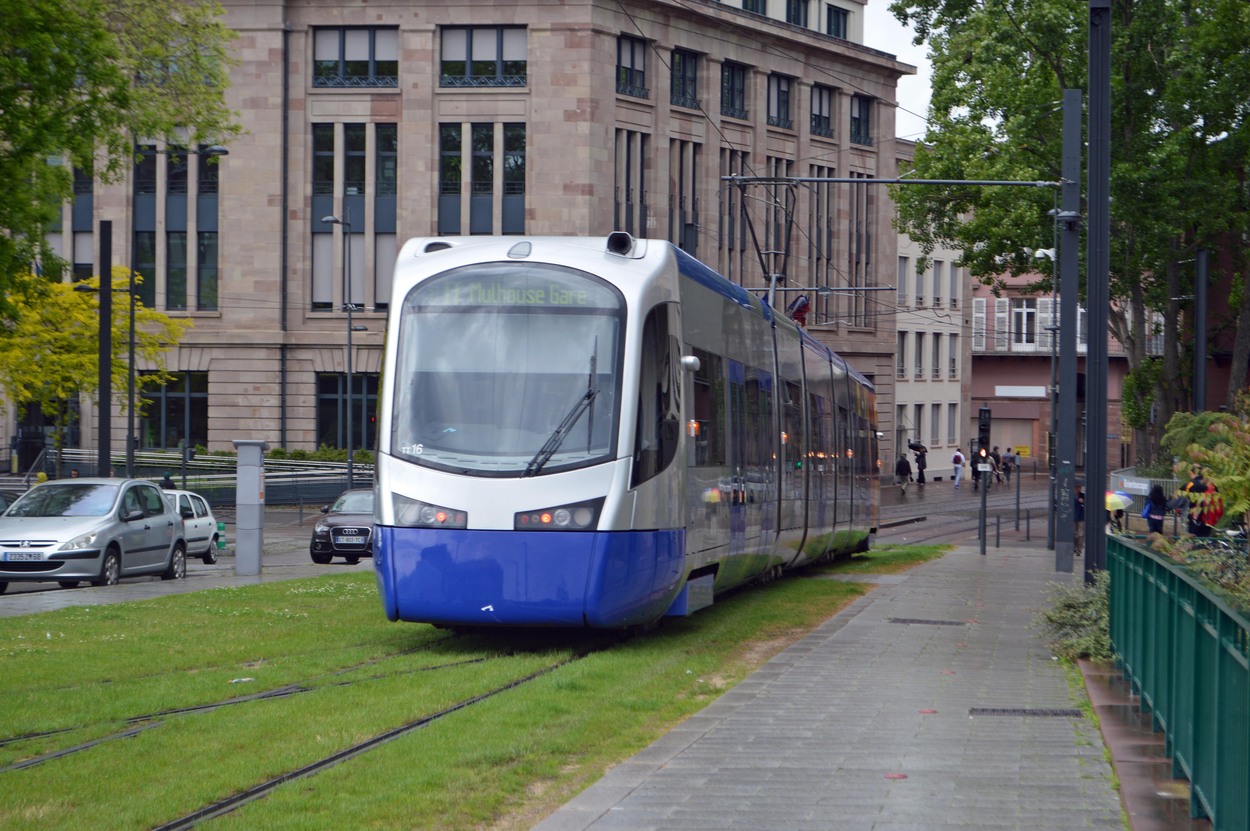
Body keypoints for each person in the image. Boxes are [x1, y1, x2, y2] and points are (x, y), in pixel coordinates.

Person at [1073, 483, 1085, 557]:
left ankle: (1079, 550)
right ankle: (1074, 547)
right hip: (1072, 518)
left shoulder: (1083, 496)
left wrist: (1083, 502)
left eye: (1079, 487)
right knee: (1073, 534)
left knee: (1080, 535)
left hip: (1081, 518)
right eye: (1076, 487)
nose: (1078, 489)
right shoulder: (1071, 495)